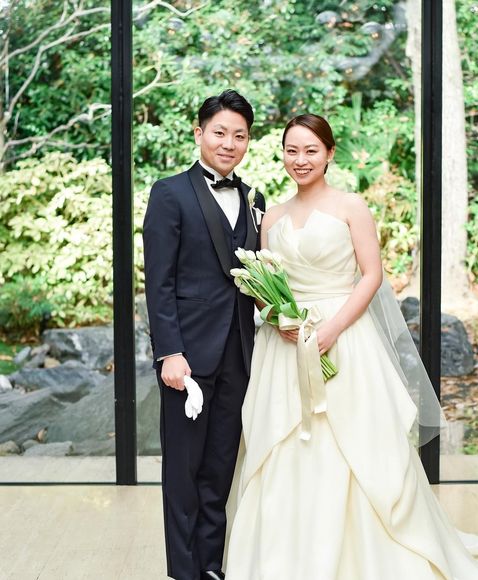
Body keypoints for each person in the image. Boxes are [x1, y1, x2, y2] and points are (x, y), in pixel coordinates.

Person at [225, 114, 478, 579]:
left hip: (343, 337)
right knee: (283, 442)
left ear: (329, 153)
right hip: (286, 345)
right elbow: (267, 280)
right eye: (291, 150)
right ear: (282, 154)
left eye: (311, 150)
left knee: (354, 444)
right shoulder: (272, 216)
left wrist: (332, 329)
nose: (300, 160)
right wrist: (279, 316)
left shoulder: (351, 206)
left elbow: (372, 275)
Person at [143, 89, 265, 580]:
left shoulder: (254, 199)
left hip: (240, 354)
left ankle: (211, 567)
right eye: (219, 133)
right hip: (188, 358)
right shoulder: (169, 193)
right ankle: (184, 573)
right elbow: (159, 283)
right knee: (183, 474)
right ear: (199, 133)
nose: (229, 143)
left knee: (219, 471)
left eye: (239, 135)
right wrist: (169, 352)